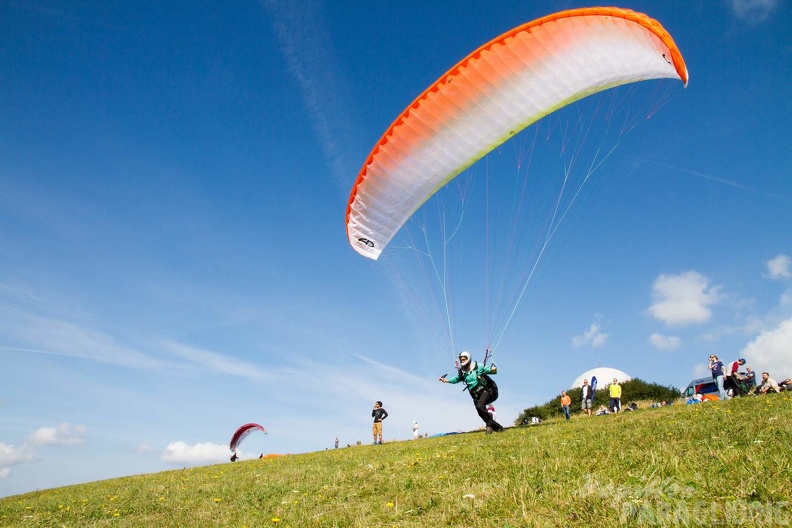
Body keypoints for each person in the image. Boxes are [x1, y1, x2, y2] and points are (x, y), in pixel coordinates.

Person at [439, 351, 503, 433]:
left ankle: (496, 427)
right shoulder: (462, 372)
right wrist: (445, 381)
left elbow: (491, 371)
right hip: (475, 394)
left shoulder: (478, 366)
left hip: (486, 390)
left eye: (463, 359)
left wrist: (493, 370)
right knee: (480, 412)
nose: (462, 361)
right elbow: (456, 379)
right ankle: (492, 427)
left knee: (480, 406)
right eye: (461, 360)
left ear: (468, 359)